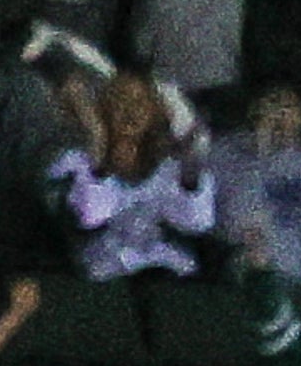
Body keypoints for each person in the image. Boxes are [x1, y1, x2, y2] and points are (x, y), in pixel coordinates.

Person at [49, 69, 213, 277]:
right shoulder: (72, 160)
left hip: (167, 270)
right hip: (99, 272)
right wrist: (97, 142)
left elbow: (198, 222)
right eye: (120, 101)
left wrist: (190, 164)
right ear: (101, 109)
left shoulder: (169, 165)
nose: (131, 111)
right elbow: (91, 215)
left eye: (141, 101)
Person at [211, 78, 301, 289]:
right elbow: (229, 226)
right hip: (246, 270)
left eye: (289, 107)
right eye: (273, 105)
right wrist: (259, 157)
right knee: (255, 262)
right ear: (254, 110)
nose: (281, 116)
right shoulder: (223, 152)